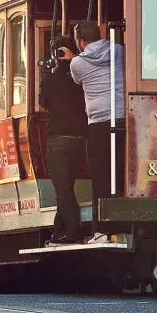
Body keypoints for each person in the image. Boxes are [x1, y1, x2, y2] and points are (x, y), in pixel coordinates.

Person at [60, 21, 125, 242]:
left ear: (81, 41)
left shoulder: (77, 63)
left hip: (98, 123)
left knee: (100, 177)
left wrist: (71, 57)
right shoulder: (118, 50)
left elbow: (78, 80)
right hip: (124, 117)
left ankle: (103, 230)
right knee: (124, 171)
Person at [38, 36, 88, 245]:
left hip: (58, 139)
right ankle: (59, 231)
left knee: (62, 188)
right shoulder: (82, 76)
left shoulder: (50, 79)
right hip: (80, 139)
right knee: (66, 186)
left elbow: (43, 103)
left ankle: (74, 233)